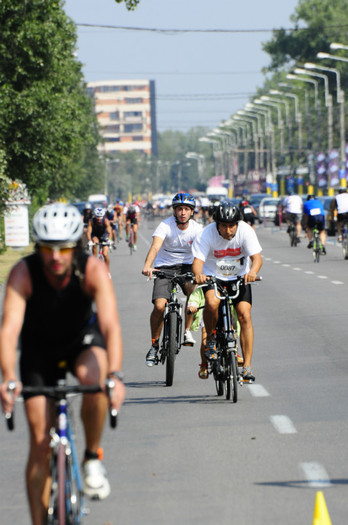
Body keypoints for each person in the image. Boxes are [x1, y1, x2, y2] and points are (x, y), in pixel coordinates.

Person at [0, 203, 125, 525]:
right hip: (38, 349)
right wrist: (9, 379)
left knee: (95, 378)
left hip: (81, 341)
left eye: (64, 249)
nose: (55, 257)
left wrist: (115, 376)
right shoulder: (23, 273)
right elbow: (9, 329)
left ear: (76, 247)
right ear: (37, 247)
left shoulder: (93, 269)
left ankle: (92, 456)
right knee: (40, 442)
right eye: (47, 249)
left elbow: (110, 325)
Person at [192, 201, 262, 382]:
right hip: (213, 277)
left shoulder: (246, 231)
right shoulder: (206, 234)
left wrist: (252, 272)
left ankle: (247, 367)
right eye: (224, 226)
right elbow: (197, 262)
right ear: (217, 224)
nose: (228, 230)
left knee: (244, 314)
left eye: (232, 226)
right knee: (212, 302)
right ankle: (211, 338)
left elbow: (257, 258)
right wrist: (198, 275)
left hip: (239, 277)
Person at [142, 192, 203, 366]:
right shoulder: (165, 226)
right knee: (160, 305)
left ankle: (186, 332)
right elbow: (155, 247)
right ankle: (154, 345)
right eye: (179, 209)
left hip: (188, 267)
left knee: (194, 295)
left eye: (186, 209)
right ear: (174, 211)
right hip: (165, 267)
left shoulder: (198, 229)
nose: (183, 212)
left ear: (192, 212)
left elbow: (204, 252)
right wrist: (148, 266)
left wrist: (205, 271)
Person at [87, 207, 113, 271]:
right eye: (97, 217)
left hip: (104, 235)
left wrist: (109, 240)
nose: (99, 219)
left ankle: (107, 271)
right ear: (94, 216)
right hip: (95, 235)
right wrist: (90, 241)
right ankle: (95, 261)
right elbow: (89, 232)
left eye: (101, 217)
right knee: (95, 242)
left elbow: (109, 232)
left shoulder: (106, 221)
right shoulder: (91, 221)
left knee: (105, 254)